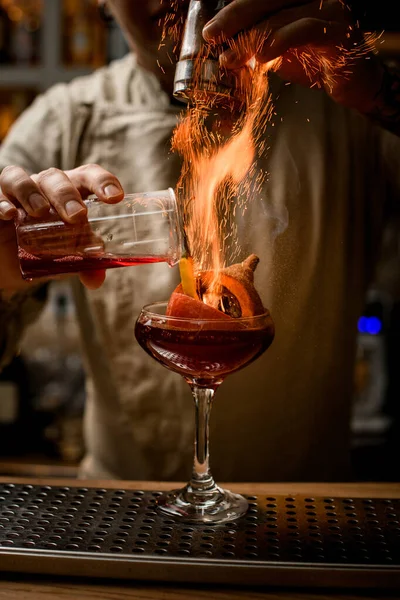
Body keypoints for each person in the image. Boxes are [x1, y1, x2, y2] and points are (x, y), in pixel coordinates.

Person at [0, 0, 399, 482]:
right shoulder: (62, 123)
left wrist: (382, 90)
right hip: (125, 515)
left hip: (302, 522)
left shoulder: (347, 105)